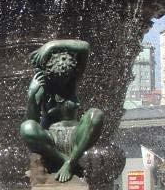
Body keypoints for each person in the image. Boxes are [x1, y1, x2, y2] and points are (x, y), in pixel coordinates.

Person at [19, 39, 104, 182]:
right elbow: (31, 122)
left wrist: (51, 46)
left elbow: (85, 47)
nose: (64, 83)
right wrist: (32, 97)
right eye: (58, 80)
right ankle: (67, 161)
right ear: (49, 74)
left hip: (76, 136)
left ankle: (70, 164)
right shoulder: (42, 86)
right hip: (51, 139)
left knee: (96, 114)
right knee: (26, 127)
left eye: (67, 78)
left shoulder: (72, 81)